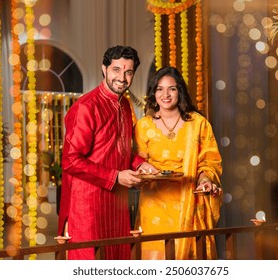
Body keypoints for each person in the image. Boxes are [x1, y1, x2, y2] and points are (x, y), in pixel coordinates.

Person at [58, 45, 156, 260]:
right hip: (88, 205)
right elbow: (71, 161)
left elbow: (121, 150)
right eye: (116, 70)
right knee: (91, 263)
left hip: (117, 204)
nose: (122, 77)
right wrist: (116, 176)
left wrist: (140, 163)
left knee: (118, 260)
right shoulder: (86, 107)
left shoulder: (125, 105)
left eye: (128, 72)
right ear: (104, 69)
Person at [134, 66, 223, 260]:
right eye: (159, 89)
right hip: (154, 203)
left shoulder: (198, 124)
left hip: (189, 200)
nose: (165, 94)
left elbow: (210, 160)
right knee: (156, 259)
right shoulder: (143, 126)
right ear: (153, 93)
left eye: (171, 88)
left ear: (179, 91)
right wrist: (141, 166)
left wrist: (205, 179)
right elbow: (135, 160)